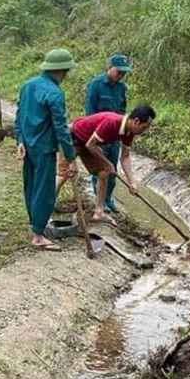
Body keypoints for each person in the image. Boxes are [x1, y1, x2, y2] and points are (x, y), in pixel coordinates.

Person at [14, 48, 79, 252]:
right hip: (43, 148)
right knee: (44, 191)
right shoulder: (54, 93)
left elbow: (19, 115)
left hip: (28, 145)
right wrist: (70, 158)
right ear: (60, 71)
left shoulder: (27, 85)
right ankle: (38, 236)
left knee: (31, 188)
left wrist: (20, 140)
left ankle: (36, 227)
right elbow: (60, 128)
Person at [67, 105, 155, 222]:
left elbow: (125, 157)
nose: (144, 131)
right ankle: (44, 211)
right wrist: (108, 163)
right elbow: (91, 145)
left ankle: (98, 212)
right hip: (72, 137)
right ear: (136, 121)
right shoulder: (112, 122)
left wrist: (131, 181)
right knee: (62, 174)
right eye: (144, 127)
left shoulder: (129, 133)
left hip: (87, 142)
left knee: (104, 171)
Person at [74, 53, 131, 214]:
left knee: (112, 167)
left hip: (115, 132)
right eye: (118, 71)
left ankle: (108, 199)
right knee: (101, 168)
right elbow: (90, 112)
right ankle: (100, 202)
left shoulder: (121, 87)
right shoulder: (95, 85)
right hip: (98, 134)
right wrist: (94, 136)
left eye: (124, 73)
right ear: (109, 68)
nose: (121, 75)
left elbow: (122, 110)